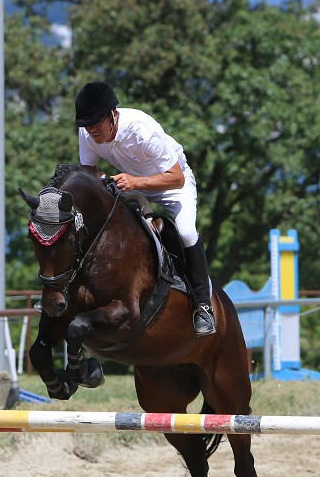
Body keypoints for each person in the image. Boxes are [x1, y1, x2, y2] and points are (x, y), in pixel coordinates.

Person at [74, 81, 216, 336]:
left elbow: (176, 178)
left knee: (185, 233)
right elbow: (89, 173)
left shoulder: (141, 129)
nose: (92, 130)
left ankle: (203, 307)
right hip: (132, 187)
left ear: (113, 115)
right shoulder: (87, 133)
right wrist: (102, 181)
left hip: (172, 183)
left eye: (97, 123)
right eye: (87, 125)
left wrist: (135, 181)